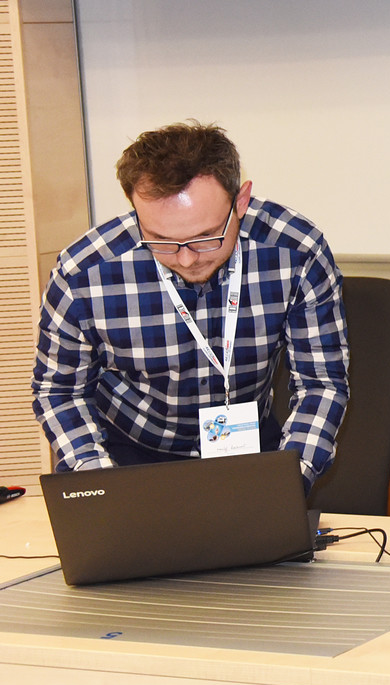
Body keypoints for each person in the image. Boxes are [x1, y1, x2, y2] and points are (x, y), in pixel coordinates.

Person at [33, 121, 348, 490]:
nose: (186, 259)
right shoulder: (84, 274)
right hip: (128, 452)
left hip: (249, 448)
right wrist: (99, 485)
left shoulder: (296, 253)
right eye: (161, 240)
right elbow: (59, 391)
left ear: (240, 202)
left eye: (205, 237)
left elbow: (320, 383)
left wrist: (289, 483)